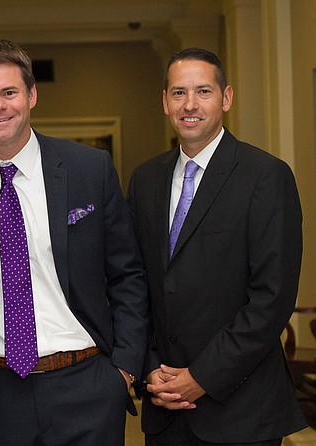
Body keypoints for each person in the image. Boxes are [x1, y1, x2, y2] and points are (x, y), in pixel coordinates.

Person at [0, 39, 148, 445]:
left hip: (88, 384)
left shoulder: (89, 169)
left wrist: (122, 370)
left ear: (32, 95)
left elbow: (127, 274)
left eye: (9, 92)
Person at [126, 47, 306, 445]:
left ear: (226, 98)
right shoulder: (145, 180)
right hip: (165, 406)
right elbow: (134, 283)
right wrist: (150, 368)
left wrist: (201, 378)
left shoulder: (266, 177)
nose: (190, 105)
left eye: (203, 91)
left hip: (241, 410)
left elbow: (271, 299)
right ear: (164, 102)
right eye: (178, 93)